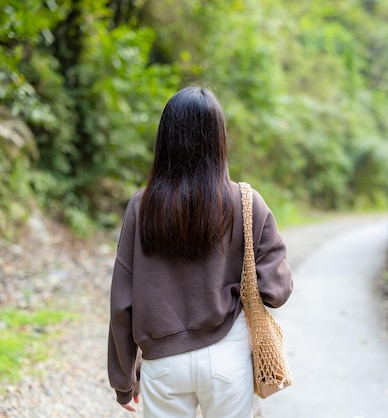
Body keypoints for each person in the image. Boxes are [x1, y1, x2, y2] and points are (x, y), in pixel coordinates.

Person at [107, 86, 293, 418]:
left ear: (166, 139)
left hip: (162, 363)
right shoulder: (246, 202)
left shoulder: (141, 205)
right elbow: (276, 290)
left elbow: (122, 303)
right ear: (219, 139)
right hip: (226, 357)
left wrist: (123, 380)